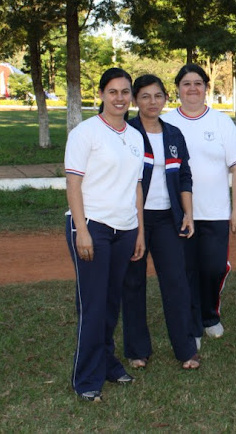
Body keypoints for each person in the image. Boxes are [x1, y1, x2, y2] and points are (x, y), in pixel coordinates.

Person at [64, 67, 146, 402]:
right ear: (101, 94)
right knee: (93, 305)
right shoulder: (86, 133)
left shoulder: (135, 136)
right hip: (92, 226)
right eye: (113, 91)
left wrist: (139, 231)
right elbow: (73, 183)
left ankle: (109, 363)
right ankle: (86, 379)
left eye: (125, 92)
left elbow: (137, 186)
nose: (119, 98)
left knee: (112, 303)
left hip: (125, 228)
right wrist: (81, 230)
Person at [161, 64, 236, 344]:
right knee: (186, 270)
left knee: (213, 268)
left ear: (206, 88)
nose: (192, 88)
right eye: (186, 83)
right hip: (178, 214)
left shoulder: (221, 123)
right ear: (177, 89)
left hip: (216, 212)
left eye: (198, 83)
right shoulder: (166, 122)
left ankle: (210, 314)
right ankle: (193, 324)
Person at [122, 74, 200, 370]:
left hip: (169, 219)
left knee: (176, 283)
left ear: (166, 98)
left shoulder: (174, 134)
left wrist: (187, 213)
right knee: (133, 283)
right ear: (134, 101)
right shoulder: (127, 132)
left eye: (157, 96)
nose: (152, 102)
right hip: (132, 219)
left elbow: (184, 176)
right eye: (144, 96)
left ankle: (186, 350)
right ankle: (137, 349)